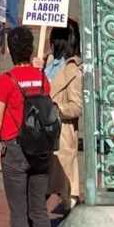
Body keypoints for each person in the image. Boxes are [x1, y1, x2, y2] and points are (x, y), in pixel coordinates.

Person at [0, 26, 53, 227]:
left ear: (10, 50)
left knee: (18, 208)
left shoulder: (7, 80)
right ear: (30, 50)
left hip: (15, 147)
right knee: (38, 207)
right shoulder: (41, 78)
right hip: (40, 148)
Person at [46, 23, 83, 212]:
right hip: (41, 136)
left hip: (62, 136)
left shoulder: (73, 70)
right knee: (38, 190)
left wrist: (55, 108)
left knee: (66, 192)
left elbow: (76, 108)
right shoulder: (46, 62)